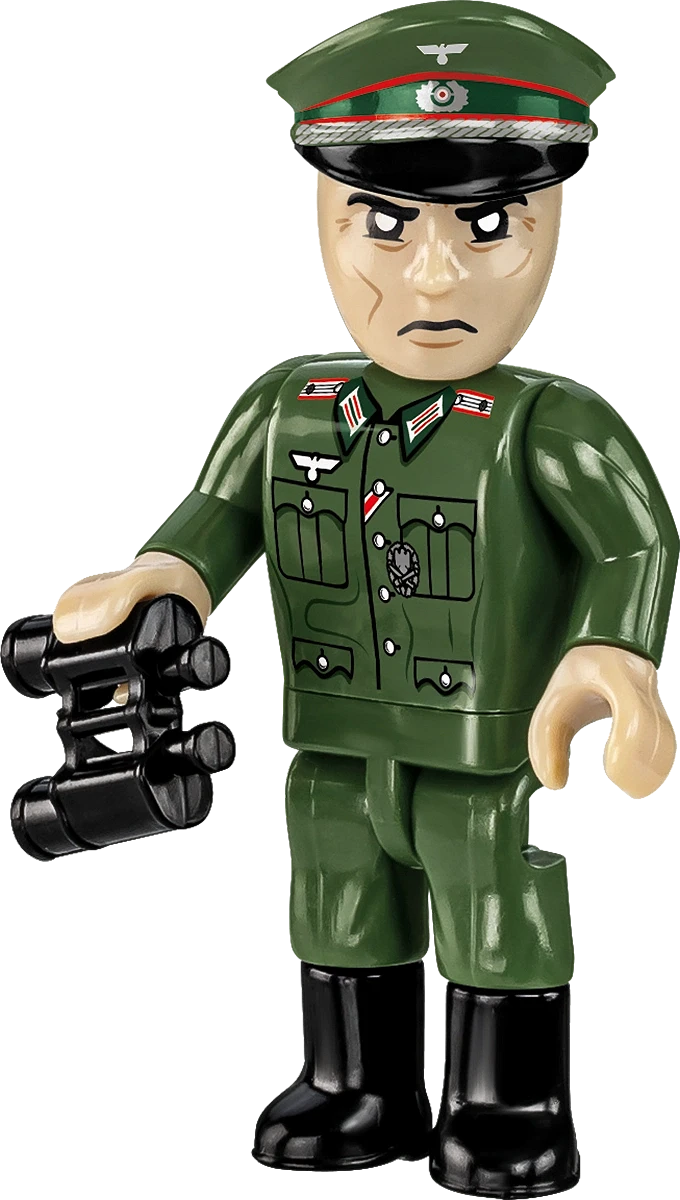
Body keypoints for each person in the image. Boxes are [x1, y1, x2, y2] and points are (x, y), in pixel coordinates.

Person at [46, 2, 677, 1195]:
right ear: (324, 220)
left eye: (486, 224)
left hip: (478, 747)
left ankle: (509, 1103)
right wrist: (161, 575)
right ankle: (355, 1084)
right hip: (335, 732)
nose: (431, 274)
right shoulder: (286, 407)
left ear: (549, 224)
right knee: (336, 889)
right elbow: (216, 517)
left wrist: (612, 655)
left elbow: (631, 548)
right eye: (383, 223)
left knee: (490, 902)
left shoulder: (552, 426)